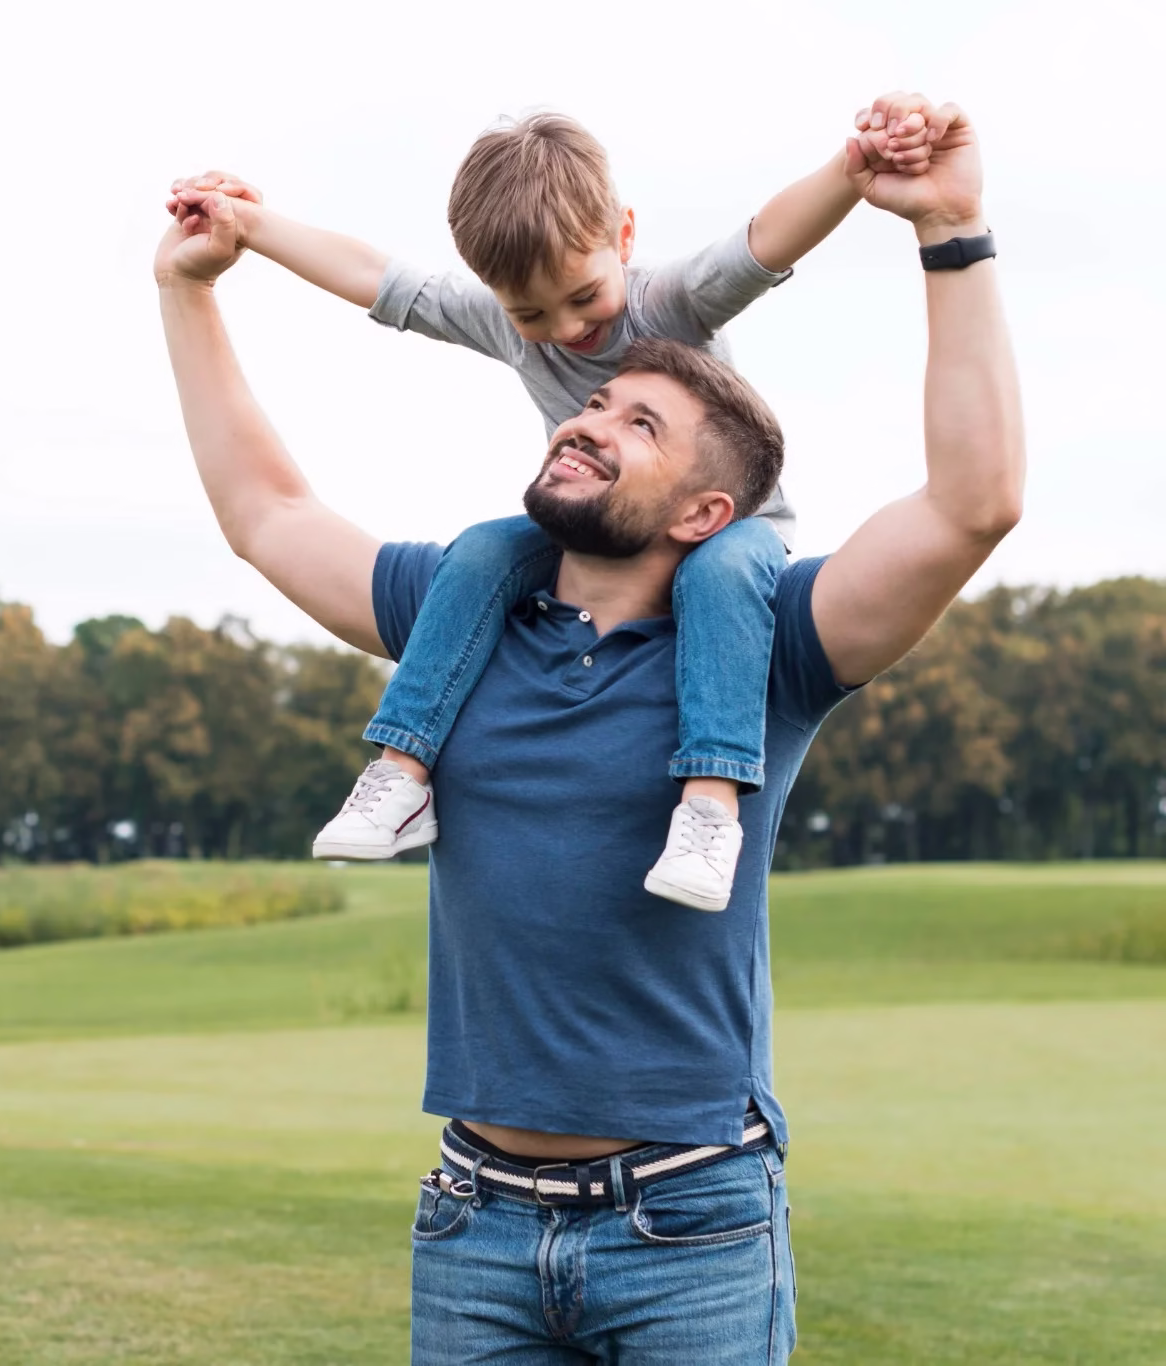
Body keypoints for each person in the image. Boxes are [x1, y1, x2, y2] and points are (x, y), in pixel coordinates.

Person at [154, 92, 1017, 1363]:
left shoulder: (770, 639)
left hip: (691, 1223)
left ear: (704, 511)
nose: (585, 406)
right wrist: (193, 289)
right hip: (470, 1220)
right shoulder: (461, 611)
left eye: (639, 420)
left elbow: (971, 503)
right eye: (590, 403)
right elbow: (264, 512)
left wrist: (949, 231)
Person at [165, 105, 941, 910]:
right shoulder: (510, 328)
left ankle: (709, 808)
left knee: (717, 577)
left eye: (582, 297)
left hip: (731, 534)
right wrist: (249, 225)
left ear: (624, 239)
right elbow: (379, 278)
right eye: (529, 313)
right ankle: (402, 772)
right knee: (480, 551)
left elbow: (763, 241)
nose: (564, 330)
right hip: (590, 530)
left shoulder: (667, 304)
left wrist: (852, 173)